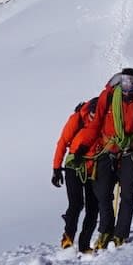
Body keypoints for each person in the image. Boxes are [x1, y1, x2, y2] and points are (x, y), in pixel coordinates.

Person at [87, 67, 133, 247]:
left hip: (131, 151)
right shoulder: (109, 96)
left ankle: (120, 233)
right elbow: (97, 121)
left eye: (132, 82)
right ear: (120, 81)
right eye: (126, 81)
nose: (129, 86)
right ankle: (106, 230)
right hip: (107, 149)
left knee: (128, 194)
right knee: (102, 192)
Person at [50, 97, 103, 252]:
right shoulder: (77, 119)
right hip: (74, 166)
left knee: (93, 208)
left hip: (94, 168)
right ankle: (68, 237)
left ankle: (84, 244)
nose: (94, 117)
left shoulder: (104, 122)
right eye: (92, 114)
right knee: (76, 204)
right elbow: (62, 142)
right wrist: (56, 168)